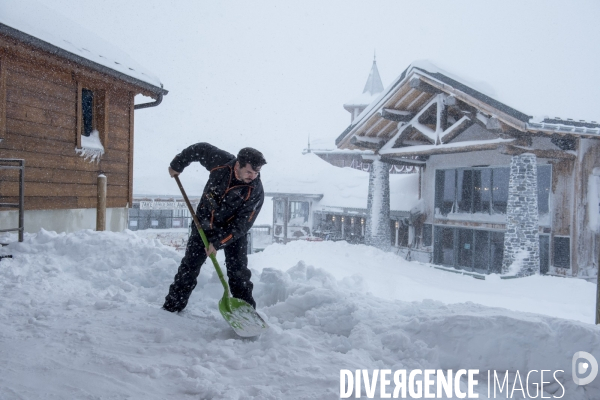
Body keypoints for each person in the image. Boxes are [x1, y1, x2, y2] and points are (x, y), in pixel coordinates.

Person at [162, 142, 266, 312]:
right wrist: (177, 164)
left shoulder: (255, 191)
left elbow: (243, 224)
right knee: (189, 267)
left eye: (256, 173)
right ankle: (171, 308)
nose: (252, 176)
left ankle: (247, 314)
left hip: (232, 234)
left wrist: (218, 243)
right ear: (238, 164)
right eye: (249, 171)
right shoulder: (221, 162)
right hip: (203, 224)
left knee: (239, 274)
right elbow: (199, 149)